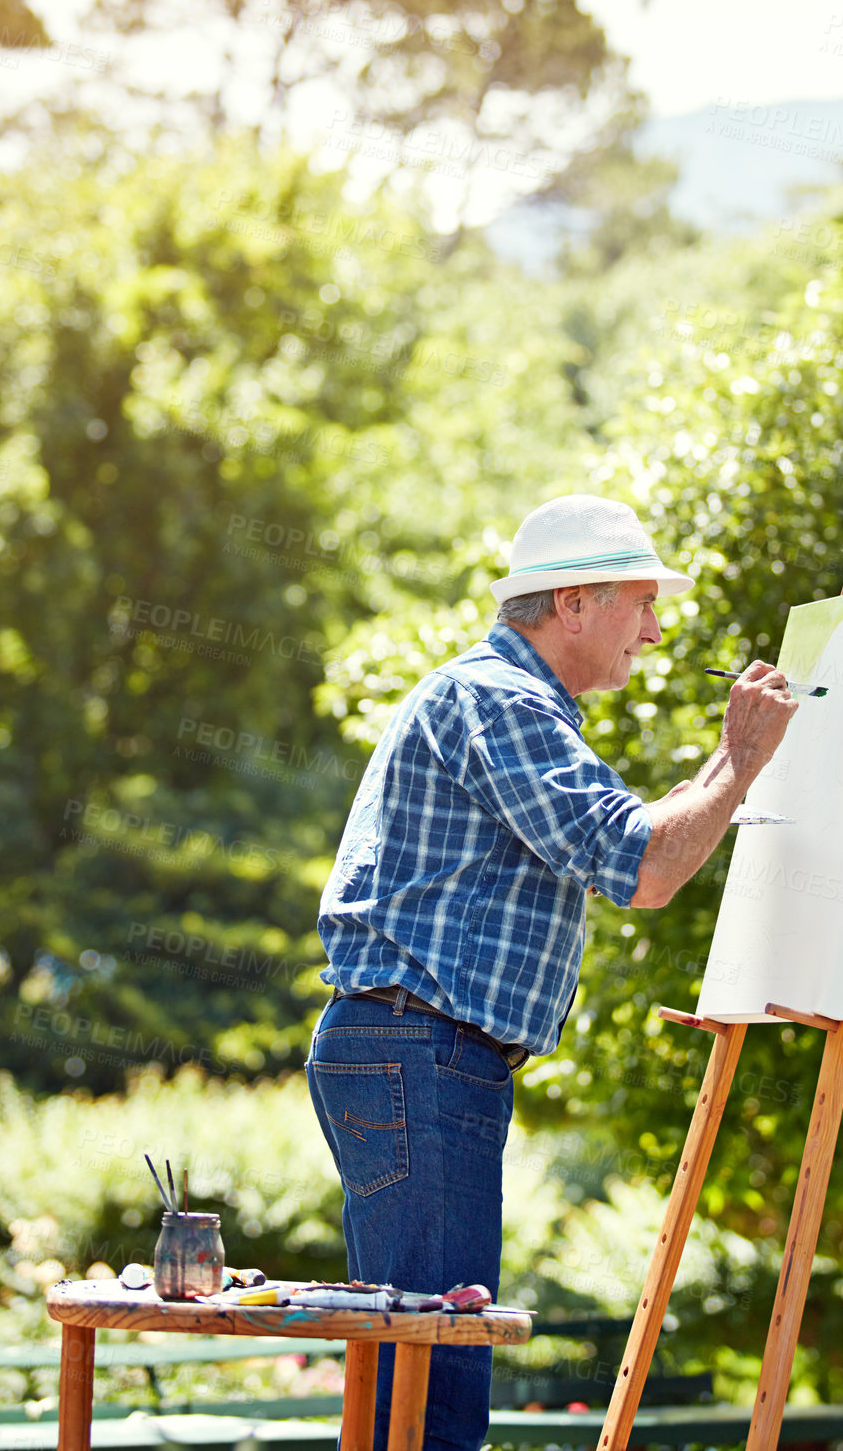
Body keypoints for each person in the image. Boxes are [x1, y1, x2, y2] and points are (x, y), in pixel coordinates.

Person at [307, 494, 797, 1449]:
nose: (655, 633)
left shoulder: (510, 700)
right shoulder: (504, 701)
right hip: (421, 1054)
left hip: (419, 1051)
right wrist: (740, 760)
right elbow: (645, 868)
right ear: (573, 603)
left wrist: (727, 764)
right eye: (641, 604)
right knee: (434, 1379)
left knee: (417, 1365)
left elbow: (632, 836)